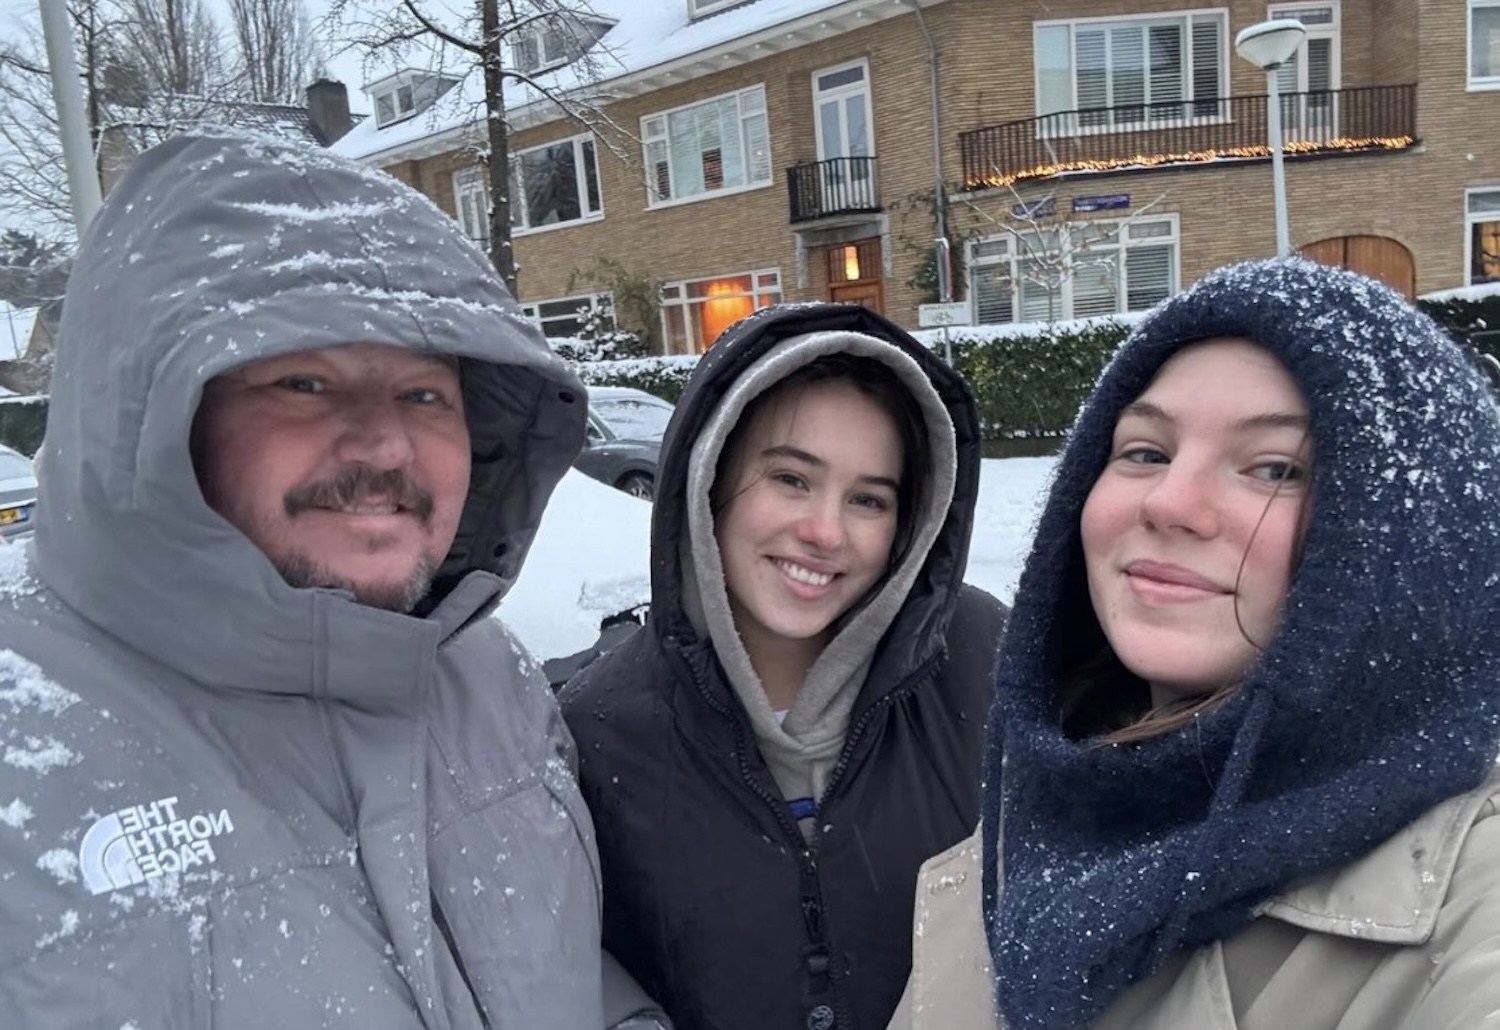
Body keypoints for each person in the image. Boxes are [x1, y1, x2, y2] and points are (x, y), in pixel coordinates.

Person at [0, 131, 607, 1028]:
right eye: (304, 382)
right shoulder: (24, 747)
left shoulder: (491, 677)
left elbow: (583, 973)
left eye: (425, 394)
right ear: (154, 410)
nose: (386, 446)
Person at [890, 257, 1500, 1030]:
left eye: (1275, 468)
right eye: (1145, 452)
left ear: (1415, 540)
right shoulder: (1044, 808)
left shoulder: (1470, 902)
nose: (1170, 502)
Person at [562, 304, 1008, 1030]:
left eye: (868, 499)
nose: (825, 531)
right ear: (710, 478)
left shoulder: (984, 661)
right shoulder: (594, 734)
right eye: (791, 479)